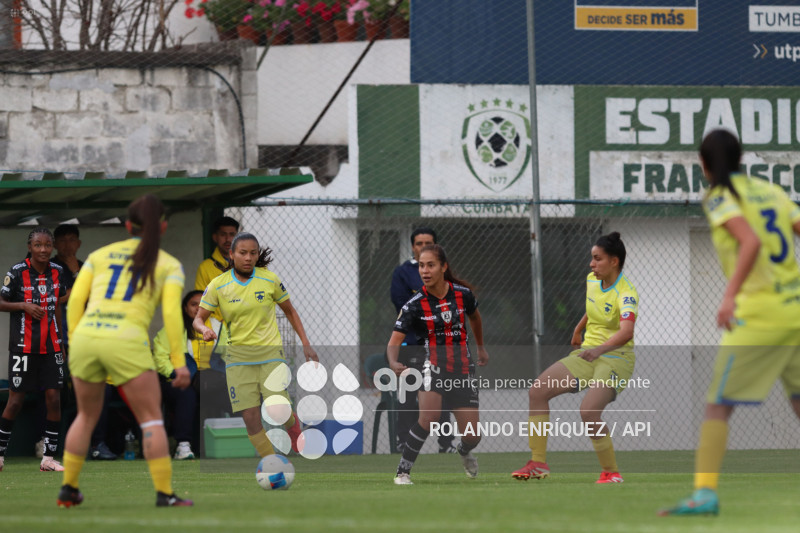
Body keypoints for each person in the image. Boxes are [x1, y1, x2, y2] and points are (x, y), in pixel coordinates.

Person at [660, 130, 800, 516]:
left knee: (718, 406)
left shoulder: (721, 196)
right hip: (795, 311)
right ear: (741, 158)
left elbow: (750, 241)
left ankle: (704, 494)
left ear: (705, 165)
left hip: (761, 317)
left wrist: (729, 296)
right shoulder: (772, 192)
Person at [56, 194, 193, 508]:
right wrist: (178, 363)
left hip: (87, 338)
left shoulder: (100, 255)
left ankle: (69, 489)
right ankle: (164, 494)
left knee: (85, 416)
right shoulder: (169, 264)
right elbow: (172, 315)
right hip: (127, 339)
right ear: (163, 226)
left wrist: (75, 341)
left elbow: (76, 301)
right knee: (151, 420)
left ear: (128, 225)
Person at [512, 232, 637, 484]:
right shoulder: (593, 280)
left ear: (614, 261)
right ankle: (537, 463)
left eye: (597, 259)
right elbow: (593, 308)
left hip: (616, 358)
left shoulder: (626, 293)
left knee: (589, 411)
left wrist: (600, 349)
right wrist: (579, 328)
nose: (591, 264)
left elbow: (626, 332)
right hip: (588, 352)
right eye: (592, 259)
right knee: (537, 391)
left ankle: (611, 473)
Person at [193, 232, 317, 459]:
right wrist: (205, 329)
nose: (248, 258)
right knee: (250, 417)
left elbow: (290, 310)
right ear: (231, 255)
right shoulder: (218, 285)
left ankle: (293, 426)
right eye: (242, 253)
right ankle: (272, 463)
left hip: (270, 354)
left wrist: (306, 343)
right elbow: (198, 318)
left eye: (253, 253)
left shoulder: (269, 279)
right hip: (237, 359)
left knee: (276, 409)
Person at [389, 244, 489, 485]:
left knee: (473, 435)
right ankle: (402, 472)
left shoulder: (462, 294)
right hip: (431, 366)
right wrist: (393, 361)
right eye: (422, 265)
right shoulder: (414, 304)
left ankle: (463, 451)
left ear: (443, 267)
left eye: (431, 265)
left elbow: (475, 317)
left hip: (463, 368)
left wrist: (480, 347)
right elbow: (394, 340)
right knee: (430, 418)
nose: (425, 270)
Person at [0, 228, 66, 472]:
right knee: (16, 400)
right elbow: (1, 302)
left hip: (51, 347)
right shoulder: (17, 272)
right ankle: (0, 454)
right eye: (38, 245)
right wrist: (23, 306)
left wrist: (62, 341)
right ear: (30, 247)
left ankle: (48, 458)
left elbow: (57, 306)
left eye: (48, 245)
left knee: (54, 399)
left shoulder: (58, 272)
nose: (43, 250)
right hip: (23, 347)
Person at [390, 228, 457, 454]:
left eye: (428, 243)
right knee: (407, 396)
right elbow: (402, 304)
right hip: (411, 344)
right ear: (413, 246)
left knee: (443, 393)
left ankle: (445, 444)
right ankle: (404, 442)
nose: (422, 247)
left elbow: (448, 301)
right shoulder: (402, 273)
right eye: (419, 243)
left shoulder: (442, 272)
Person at [152, 290, 218, 460]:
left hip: (207, 380)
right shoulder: (173, 328)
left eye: (202, 304)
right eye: (193, 304)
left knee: (229, 390)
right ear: (184, 308)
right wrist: (176, 374)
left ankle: (231, 443)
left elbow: (227, 357)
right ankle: (183, 445)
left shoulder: (217, 327)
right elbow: (160, 358)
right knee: (186, 393)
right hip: (175, 380)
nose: (198, 308)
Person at [194, 216, 239, 294]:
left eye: (232, 234)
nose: (228, 239)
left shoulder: (248, 263)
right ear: (215, 237)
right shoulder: (204, 267)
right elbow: (200, 300)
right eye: (223, 234)